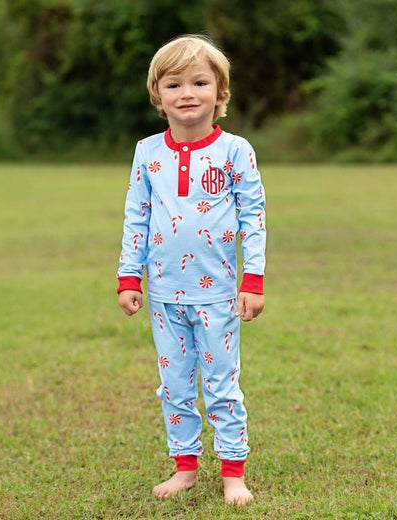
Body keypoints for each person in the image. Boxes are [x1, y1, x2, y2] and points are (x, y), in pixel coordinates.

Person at [117, 34, 266, 506]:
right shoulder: (147, 152)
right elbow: (136, 215)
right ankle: (184, 467)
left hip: (219, 293)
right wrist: (129, 276)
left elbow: (253, 218)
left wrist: (253, 280)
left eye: (200, 82)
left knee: (222, 384)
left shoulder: (235, 151)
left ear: (219, 93)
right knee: (174, 385)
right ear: (158, 95)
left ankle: (233, 472)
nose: (187, 93)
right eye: (173, 83)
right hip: (163, 294)